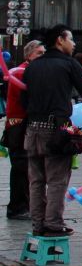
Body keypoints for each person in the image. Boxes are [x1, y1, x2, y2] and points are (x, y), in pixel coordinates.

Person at [23, 24, 82, 236]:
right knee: (58, 179)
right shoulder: (69, 64)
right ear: (60, 40)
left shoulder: (32, 66)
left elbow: (24, 98)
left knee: (36, 181)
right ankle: (53, 224)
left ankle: (38, 224)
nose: (74, 44)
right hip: (59, 127)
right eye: (71, 39)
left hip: (32, 128)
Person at [4, 39, 44, 222]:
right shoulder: (22, 72)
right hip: (19, 125)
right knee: (20, 166)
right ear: (29, 55)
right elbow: (27, 100)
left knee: (26, 167)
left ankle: (24, 205)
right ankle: (18, 207)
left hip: (23, 124)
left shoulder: (30, 71)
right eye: (39, 53)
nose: (42, 57)